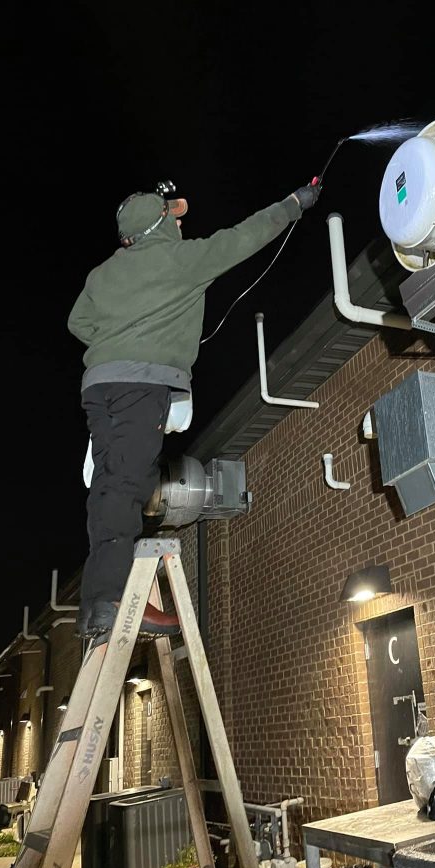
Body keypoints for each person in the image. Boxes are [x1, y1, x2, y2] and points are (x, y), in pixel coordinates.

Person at [68, 179, 321, 639]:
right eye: (173, 216)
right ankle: (113, 602)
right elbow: (245, 236)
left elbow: (78, 321)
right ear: (158, 225)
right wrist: (293, 204)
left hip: (99, 386)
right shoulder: (181, 260)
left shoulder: (102, 274)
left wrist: (119, 339)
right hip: (140, 386)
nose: (180, 220)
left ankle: (96, 603)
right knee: (126, 484)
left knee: (113, 480)